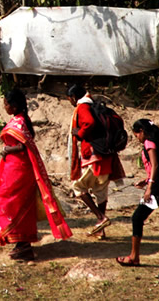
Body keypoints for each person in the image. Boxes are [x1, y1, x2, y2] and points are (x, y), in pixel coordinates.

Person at [0, 88, 72, 261]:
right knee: (17, 204)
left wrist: (7, 149)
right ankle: (21, 244)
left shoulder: (20, 123)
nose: (4, 106)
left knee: (11, 203)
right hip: (13, 168)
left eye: (6, 103)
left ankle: (23, 244)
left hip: (19, 169)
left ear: (13, 105)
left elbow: (25, 146)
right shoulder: (19, 121)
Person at [116, 118, 159, 280]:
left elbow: (155, 165)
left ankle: (134, 257)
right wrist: (146, 180)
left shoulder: (149, 143)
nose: (138, 138)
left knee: (137, 218)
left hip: (158, 189)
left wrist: (149, 187)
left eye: (136, 135)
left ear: (141, 131)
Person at [67, 82, 125, 238]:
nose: (71, 103)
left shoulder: (83, 107)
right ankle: (101, 229)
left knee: (78, 187)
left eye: (70, 99)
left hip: (94, 156)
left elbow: (89, 123)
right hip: (106, 155)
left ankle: (101, 218)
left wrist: (80, 133)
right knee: (100, 191)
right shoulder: (94, 106)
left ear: (73, 97)